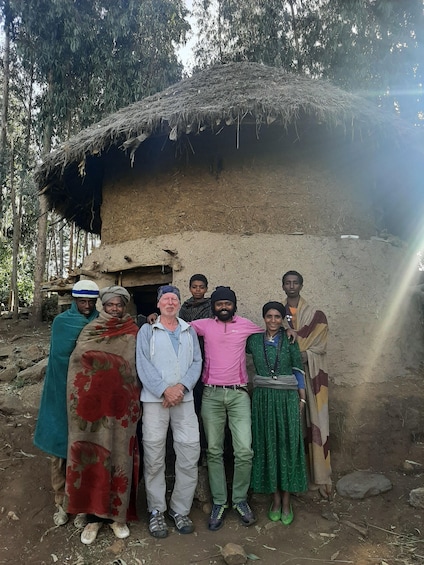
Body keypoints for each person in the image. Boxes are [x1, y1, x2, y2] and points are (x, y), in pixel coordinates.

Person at [65, 285, 141, 545]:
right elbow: (78, 365)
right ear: (103, 306)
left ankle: (117, 517)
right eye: (111, 305)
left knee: (120, 456)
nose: (116, 309)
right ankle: (93, 519)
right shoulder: (91, 329)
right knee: (92, 458)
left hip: (121, 410)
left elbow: (136, 365)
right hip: (93, 411)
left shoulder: (133, 330)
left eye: (120, 305)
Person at [190, 286, 265, 531]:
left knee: (244, 450)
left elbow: (271, 331)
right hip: (211, 395)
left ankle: (240, 500)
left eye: (228, 304)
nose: (224, 307)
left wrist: (292, 330)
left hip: (239, 395)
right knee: (214, 451)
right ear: (214, 306)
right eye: (220, 303)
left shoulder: (246, 325)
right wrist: (149, 318)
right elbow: (177, 326)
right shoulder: (203, 325)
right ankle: (220, 503)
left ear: (234, 305)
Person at [136, 285, 202, 539]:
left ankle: (180, 509)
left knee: (188, 452)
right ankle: (156, 511)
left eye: (174, 299)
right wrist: (164, 390)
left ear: (179, 303)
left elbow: (197, 362)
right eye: (166, 299)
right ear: (158, 304)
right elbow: (143, 363)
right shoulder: (147, 330)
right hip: (156, 402)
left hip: (183, 402)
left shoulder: (189, 330)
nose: (171, 303)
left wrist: (182, 388)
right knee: (154, 456)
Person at [33, 280, 99, 528]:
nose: (87, 306)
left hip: (89, 395)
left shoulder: (99, 322)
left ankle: (81, 506)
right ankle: (61, 503)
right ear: (74, 301)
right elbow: (62, 358)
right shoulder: (62, 323)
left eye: (91, 301)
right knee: (59, 449)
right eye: (82, 301)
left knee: (85, 450)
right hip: (61, 391)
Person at [246, 302, 308, 525]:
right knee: (267, 444)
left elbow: (297, 371)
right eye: (269, 316)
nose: (273, 320)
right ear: (263, 318)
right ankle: (274, 499)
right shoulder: (253, 340)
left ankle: (286, 500)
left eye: (277, 317)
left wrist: (302, 398)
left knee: (287, 445)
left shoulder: (290, 340)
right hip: (263, 399)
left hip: (287, 398)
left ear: (282, 319)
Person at [282, 270, 332, 499]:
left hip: (312, 378)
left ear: (301, 285)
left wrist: (301, 353)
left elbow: (319, 345)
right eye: (287, 283)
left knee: (316, 423)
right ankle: (294, 478)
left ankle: (319, 477)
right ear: (283, 286)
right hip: (287, 377)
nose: (291, 286)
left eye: (295, 282)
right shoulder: (277, 314)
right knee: (292, 428)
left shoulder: (316, 315)